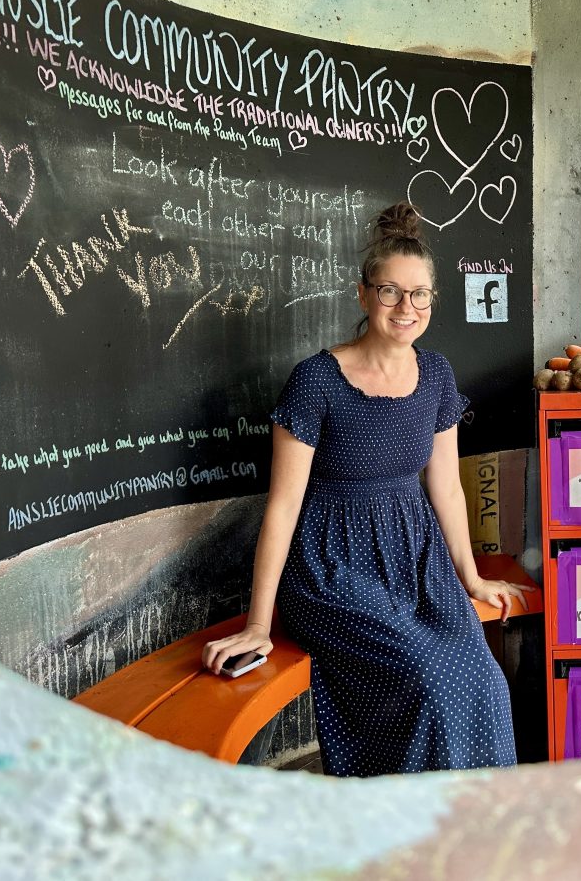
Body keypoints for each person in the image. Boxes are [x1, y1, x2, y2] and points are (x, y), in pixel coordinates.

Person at [202, 202, 532, 776]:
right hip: (335, 568)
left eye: (420, 294)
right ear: (363, 296)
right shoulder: (315, 381)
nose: (406, 307)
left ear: (432, 300)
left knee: (484, 682)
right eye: (390, 292)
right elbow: (282, 508)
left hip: (418, 562)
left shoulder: (437, 375)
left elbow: (448, 490)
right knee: (429, 680)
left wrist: (471, 575)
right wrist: (258, 621)